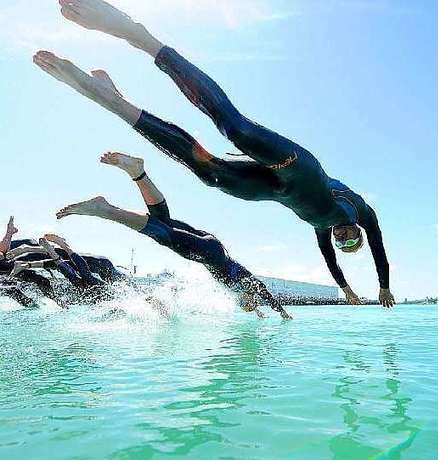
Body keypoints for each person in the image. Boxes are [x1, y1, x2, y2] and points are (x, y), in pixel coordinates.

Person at [33, 0, 394, 308]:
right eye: (351, 239)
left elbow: (329, 260)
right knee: (237, 130)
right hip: (300, 169)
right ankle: (138, 36)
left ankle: (115, 102)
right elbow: (379, 249)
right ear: (360, 233)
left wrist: (344, 287)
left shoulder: (322, 229)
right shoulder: (363, 211)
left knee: (209, 174)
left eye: (342, 241)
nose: (344, 238)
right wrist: (383, 286)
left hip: (272, 189)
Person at [56, 152, 291, 319]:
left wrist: (259, 314)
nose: (247, 305)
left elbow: (256, 302)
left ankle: (138, 172)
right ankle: (106, 210)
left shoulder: (240, 288)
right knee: (164, 235)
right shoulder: (247, 283)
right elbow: (264, 292)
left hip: (211, 245)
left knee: (163, 221)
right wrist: (283, 314)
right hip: (208, 253)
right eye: (250, 304)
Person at [10, 236, 112, 304]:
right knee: (86, 276)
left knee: (76, 279)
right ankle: (61, 245)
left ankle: (53, 250)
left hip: (94, 295)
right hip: (103, 291)